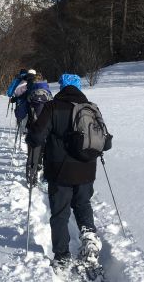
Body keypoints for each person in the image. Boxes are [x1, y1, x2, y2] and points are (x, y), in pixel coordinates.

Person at [25, 73, 102, 271]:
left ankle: (62, 255)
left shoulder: (52, 107)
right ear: (78, 87)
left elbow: (36, 137)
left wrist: (31, 134)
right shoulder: (91, 107)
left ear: (61, 86)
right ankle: (89, 236)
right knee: (83, 203)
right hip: (87, 168)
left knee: (60, 213)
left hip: (60, 171)